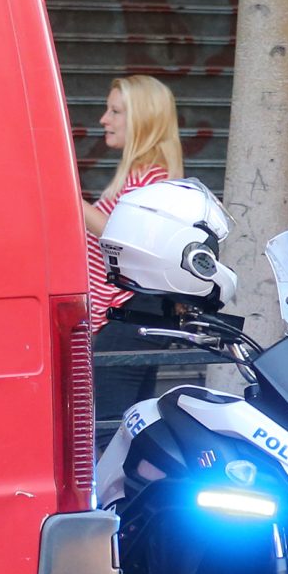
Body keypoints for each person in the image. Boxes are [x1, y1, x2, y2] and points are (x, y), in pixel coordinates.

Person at [82, 74, 184, 432]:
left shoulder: (153, 179)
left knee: (110, 427)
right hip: (128, 315)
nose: (103, 120)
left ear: (143, 119)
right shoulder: (140, 176)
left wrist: (67, 196)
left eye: (115, 111)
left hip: (130, 314)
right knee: (128, 424)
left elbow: (123, 238)